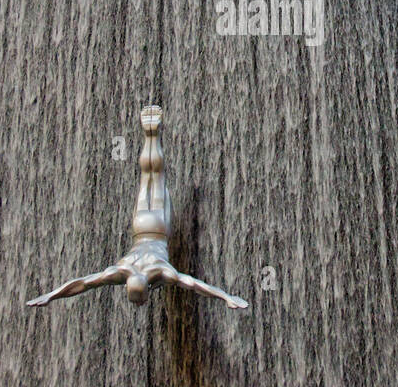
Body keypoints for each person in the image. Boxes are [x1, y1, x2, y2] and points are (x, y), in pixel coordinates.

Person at [26, 106, 248, 309]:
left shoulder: (159, 270)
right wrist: (50, 295)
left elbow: (194, 285)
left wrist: (51, 296)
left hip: (159, 230)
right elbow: (81, 283)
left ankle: (153, 136)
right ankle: (150, 135)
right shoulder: (125, 271)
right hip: (140, 227)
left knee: (156, 177)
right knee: (148, 177)